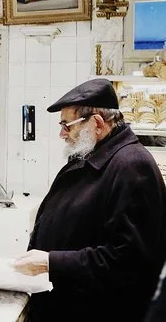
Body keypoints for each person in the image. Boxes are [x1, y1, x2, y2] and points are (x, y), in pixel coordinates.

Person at [14, 78, 166, 322]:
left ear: (97, 123)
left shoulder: (132, 166)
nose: (62, 134)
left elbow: (129, 260)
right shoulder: (91, 156)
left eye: (67, 125)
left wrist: (51, 262)